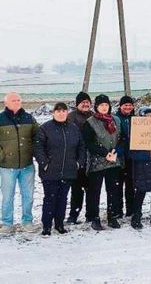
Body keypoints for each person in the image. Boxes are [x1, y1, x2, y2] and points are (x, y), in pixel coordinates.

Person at [34, 102, 86, 236]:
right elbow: (38, 148)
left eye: (64, 111)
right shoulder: (45, 128)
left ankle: (59, 224)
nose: (61, 113)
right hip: (50, 171)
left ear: (67, 113)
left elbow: (81, 147)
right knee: (50, 199)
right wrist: (44, 163)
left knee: (62, 199)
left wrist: (78, 163)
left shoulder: (73, 128)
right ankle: (46, 225)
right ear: (53, 113)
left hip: (68, 171)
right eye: (58, 111)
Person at [0, 92, 41, 235]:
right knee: (7, 196)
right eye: (13, 100)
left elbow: (38, 136)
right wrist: (2, 155)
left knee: (28, 195)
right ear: (6, 103)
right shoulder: (1, 119)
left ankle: (27, 221)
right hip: (7, 167)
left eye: (18, 100)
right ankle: (6, 223)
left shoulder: (28, 118)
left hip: (27, 165)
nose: (16, 102)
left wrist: (35, 152)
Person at [83, 94, 123, 231]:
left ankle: (112, 216)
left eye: (106, 105)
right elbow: (88, 143)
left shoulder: (116, 120)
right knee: (95, 192)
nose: (104, 107)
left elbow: (121, 138)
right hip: (97, 162)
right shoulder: (90, 122)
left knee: (113, 190)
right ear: (96, 107)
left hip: (114, 161)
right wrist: (105, 153)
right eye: (101, 105)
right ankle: (95, 218)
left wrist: (116, 151)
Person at [67, 91, 92, 225]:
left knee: (91, 189)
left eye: (87, 102)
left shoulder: (94, 116)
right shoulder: (71, 117)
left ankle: (90, 214)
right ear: (77, 104)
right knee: (76, 189)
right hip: (76, 158)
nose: (85, 104)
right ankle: (74, 215)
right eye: (83, 102)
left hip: (91, 158)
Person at [117, 95, 135, 218]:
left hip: (132, 156)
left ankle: (131, 209)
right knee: (118, 185)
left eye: (130, 105)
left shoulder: (137, 119)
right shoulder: (116, 119)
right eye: (125, 105)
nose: (128, 107)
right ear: (120, 106)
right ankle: (118, 210)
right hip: (119, 156)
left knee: (131, 184)